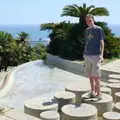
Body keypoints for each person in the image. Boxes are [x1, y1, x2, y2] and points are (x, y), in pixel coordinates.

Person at [83, 14, 104, 100]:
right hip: (87, 55)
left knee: (96, 76)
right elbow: (87, 43)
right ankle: (92, 92)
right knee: (90, 76)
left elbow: (102, 42)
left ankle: (99, 94)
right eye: (87, 21)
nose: (88, 22)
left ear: (93, 20)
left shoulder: (99, 29)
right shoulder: (86, 30)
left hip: (96, 55)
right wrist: (84, 54)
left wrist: (102, 55)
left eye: (90, 20)